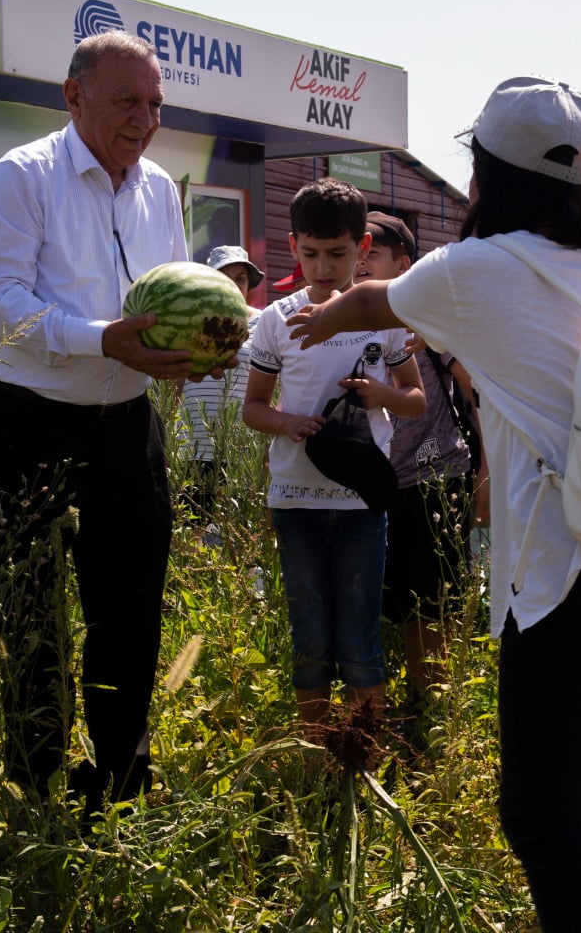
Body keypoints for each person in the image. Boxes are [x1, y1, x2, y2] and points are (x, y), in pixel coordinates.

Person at [289, 76, 581, 931]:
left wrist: (319, 320)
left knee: (543, 815)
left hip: (571, 569)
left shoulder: (478, 268)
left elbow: (373, 300)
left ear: (486, 173)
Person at [0, 30, 195, 814]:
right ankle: (33, 790)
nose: (146, 117)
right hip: (24, 422)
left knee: (129, 612)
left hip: (125, 423)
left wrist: (191, 346)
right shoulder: (22, 177)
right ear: (74, 96)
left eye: (156, 102)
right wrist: (98, 338)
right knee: (32, 616)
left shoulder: (160, 188)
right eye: (128, 99)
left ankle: (120, 787)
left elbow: (172, 293)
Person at [242, 179, 425, 736]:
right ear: (293, 246)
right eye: (312, 253)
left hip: (359, 504)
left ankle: (362, 758)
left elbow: (414, 401)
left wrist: (380, 396)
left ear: (362, 247)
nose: (324, 267)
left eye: (338, 254)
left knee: (359, 637)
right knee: (310, 637)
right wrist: (289, 423)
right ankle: (319, 759)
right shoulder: (276, 319)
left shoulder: (381, 315)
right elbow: (252, 408)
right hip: (294, 501)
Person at [353, 211, 475, 745]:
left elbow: (472, 389)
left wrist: (489, 472)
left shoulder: (426, 319)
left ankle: (433, 719)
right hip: (374, 484)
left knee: (431, 607)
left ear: (404, 265)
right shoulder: (342, 317)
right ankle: (403, 715)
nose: (360, 264)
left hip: (436, 476)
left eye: (371, 253)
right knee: (392, 603)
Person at [181, 245, 265, 530]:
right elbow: (172, 384)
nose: (232, 285)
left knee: (240, 537)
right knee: (194, 536)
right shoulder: (187, 322)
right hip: (194, 446)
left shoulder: (263, 323)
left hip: (242, 447)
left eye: (240, 278)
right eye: (223, 277)